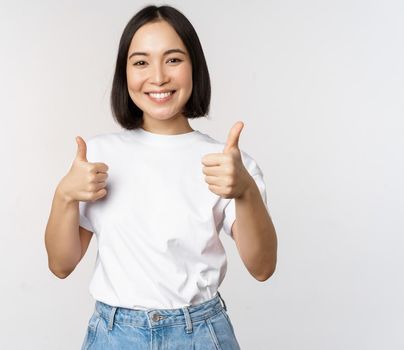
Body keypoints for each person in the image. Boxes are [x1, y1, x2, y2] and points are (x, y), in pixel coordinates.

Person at [43, 5, 278, 349]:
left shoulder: (227, 163)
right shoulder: (98, 157)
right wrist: (64, 195)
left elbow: (263, 267)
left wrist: (245, 191)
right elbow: (61, 265)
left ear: (195, 67)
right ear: (124, 74)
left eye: (173, 59)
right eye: (140, 62)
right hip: (115, 335)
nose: (158, 76)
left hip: (200, 334)